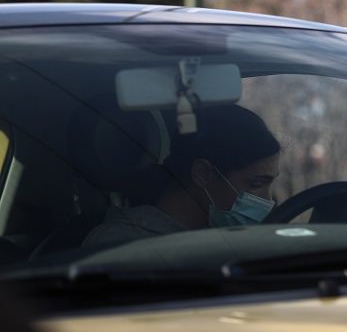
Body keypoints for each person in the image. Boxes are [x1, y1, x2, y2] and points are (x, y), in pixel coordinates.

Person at [84, 104, 281, 245]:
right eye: (255, 184)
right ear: (203, 173)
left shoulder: (227, 239)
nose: (268, 201)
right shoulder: (121, 243)